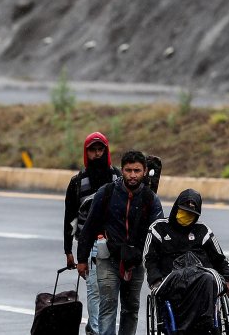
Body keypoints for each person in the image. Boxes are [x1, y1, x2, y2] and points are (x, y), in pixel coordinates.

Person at [77, 149, 164, 335]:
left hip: (136, 262)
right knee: (108, 307)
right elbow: (89, 227)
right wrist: (82, 259)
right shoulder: (106, 193)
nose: (132, 175)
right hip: (108, 259)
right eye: (128, 170)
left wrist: (158, 266)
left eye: (137, 171)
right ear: (122, 170)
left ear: (144, 171)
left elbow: (158, 235)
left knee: (131, 309)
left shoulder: (151, 199)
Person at [143, 189, 229, 335]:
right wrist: (155, 282)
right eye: (184, 210)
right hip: (172, 279)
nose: (186, 216)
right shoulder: (159, 228)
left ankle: (205, 322)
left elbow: (219, 258)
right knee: (191, 277)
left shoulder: (203, 231)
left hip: (202, 277)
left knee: (208, 277)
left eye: (191, 213)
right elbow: (150, 259)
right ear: (176, 208)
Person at [64, 132, 122, 335]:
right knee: (95, 291)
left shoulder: (118, 178)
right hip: (87, 244)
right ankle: (97, 330)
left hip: (114, 243)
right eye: (92, 150)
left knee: (111, 292)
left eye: (100, 150)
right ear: (86, 152)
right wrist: (68, 251)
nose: (97, 154)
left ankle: (97, 328)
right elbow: (69, 218)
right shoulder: (78, 182)